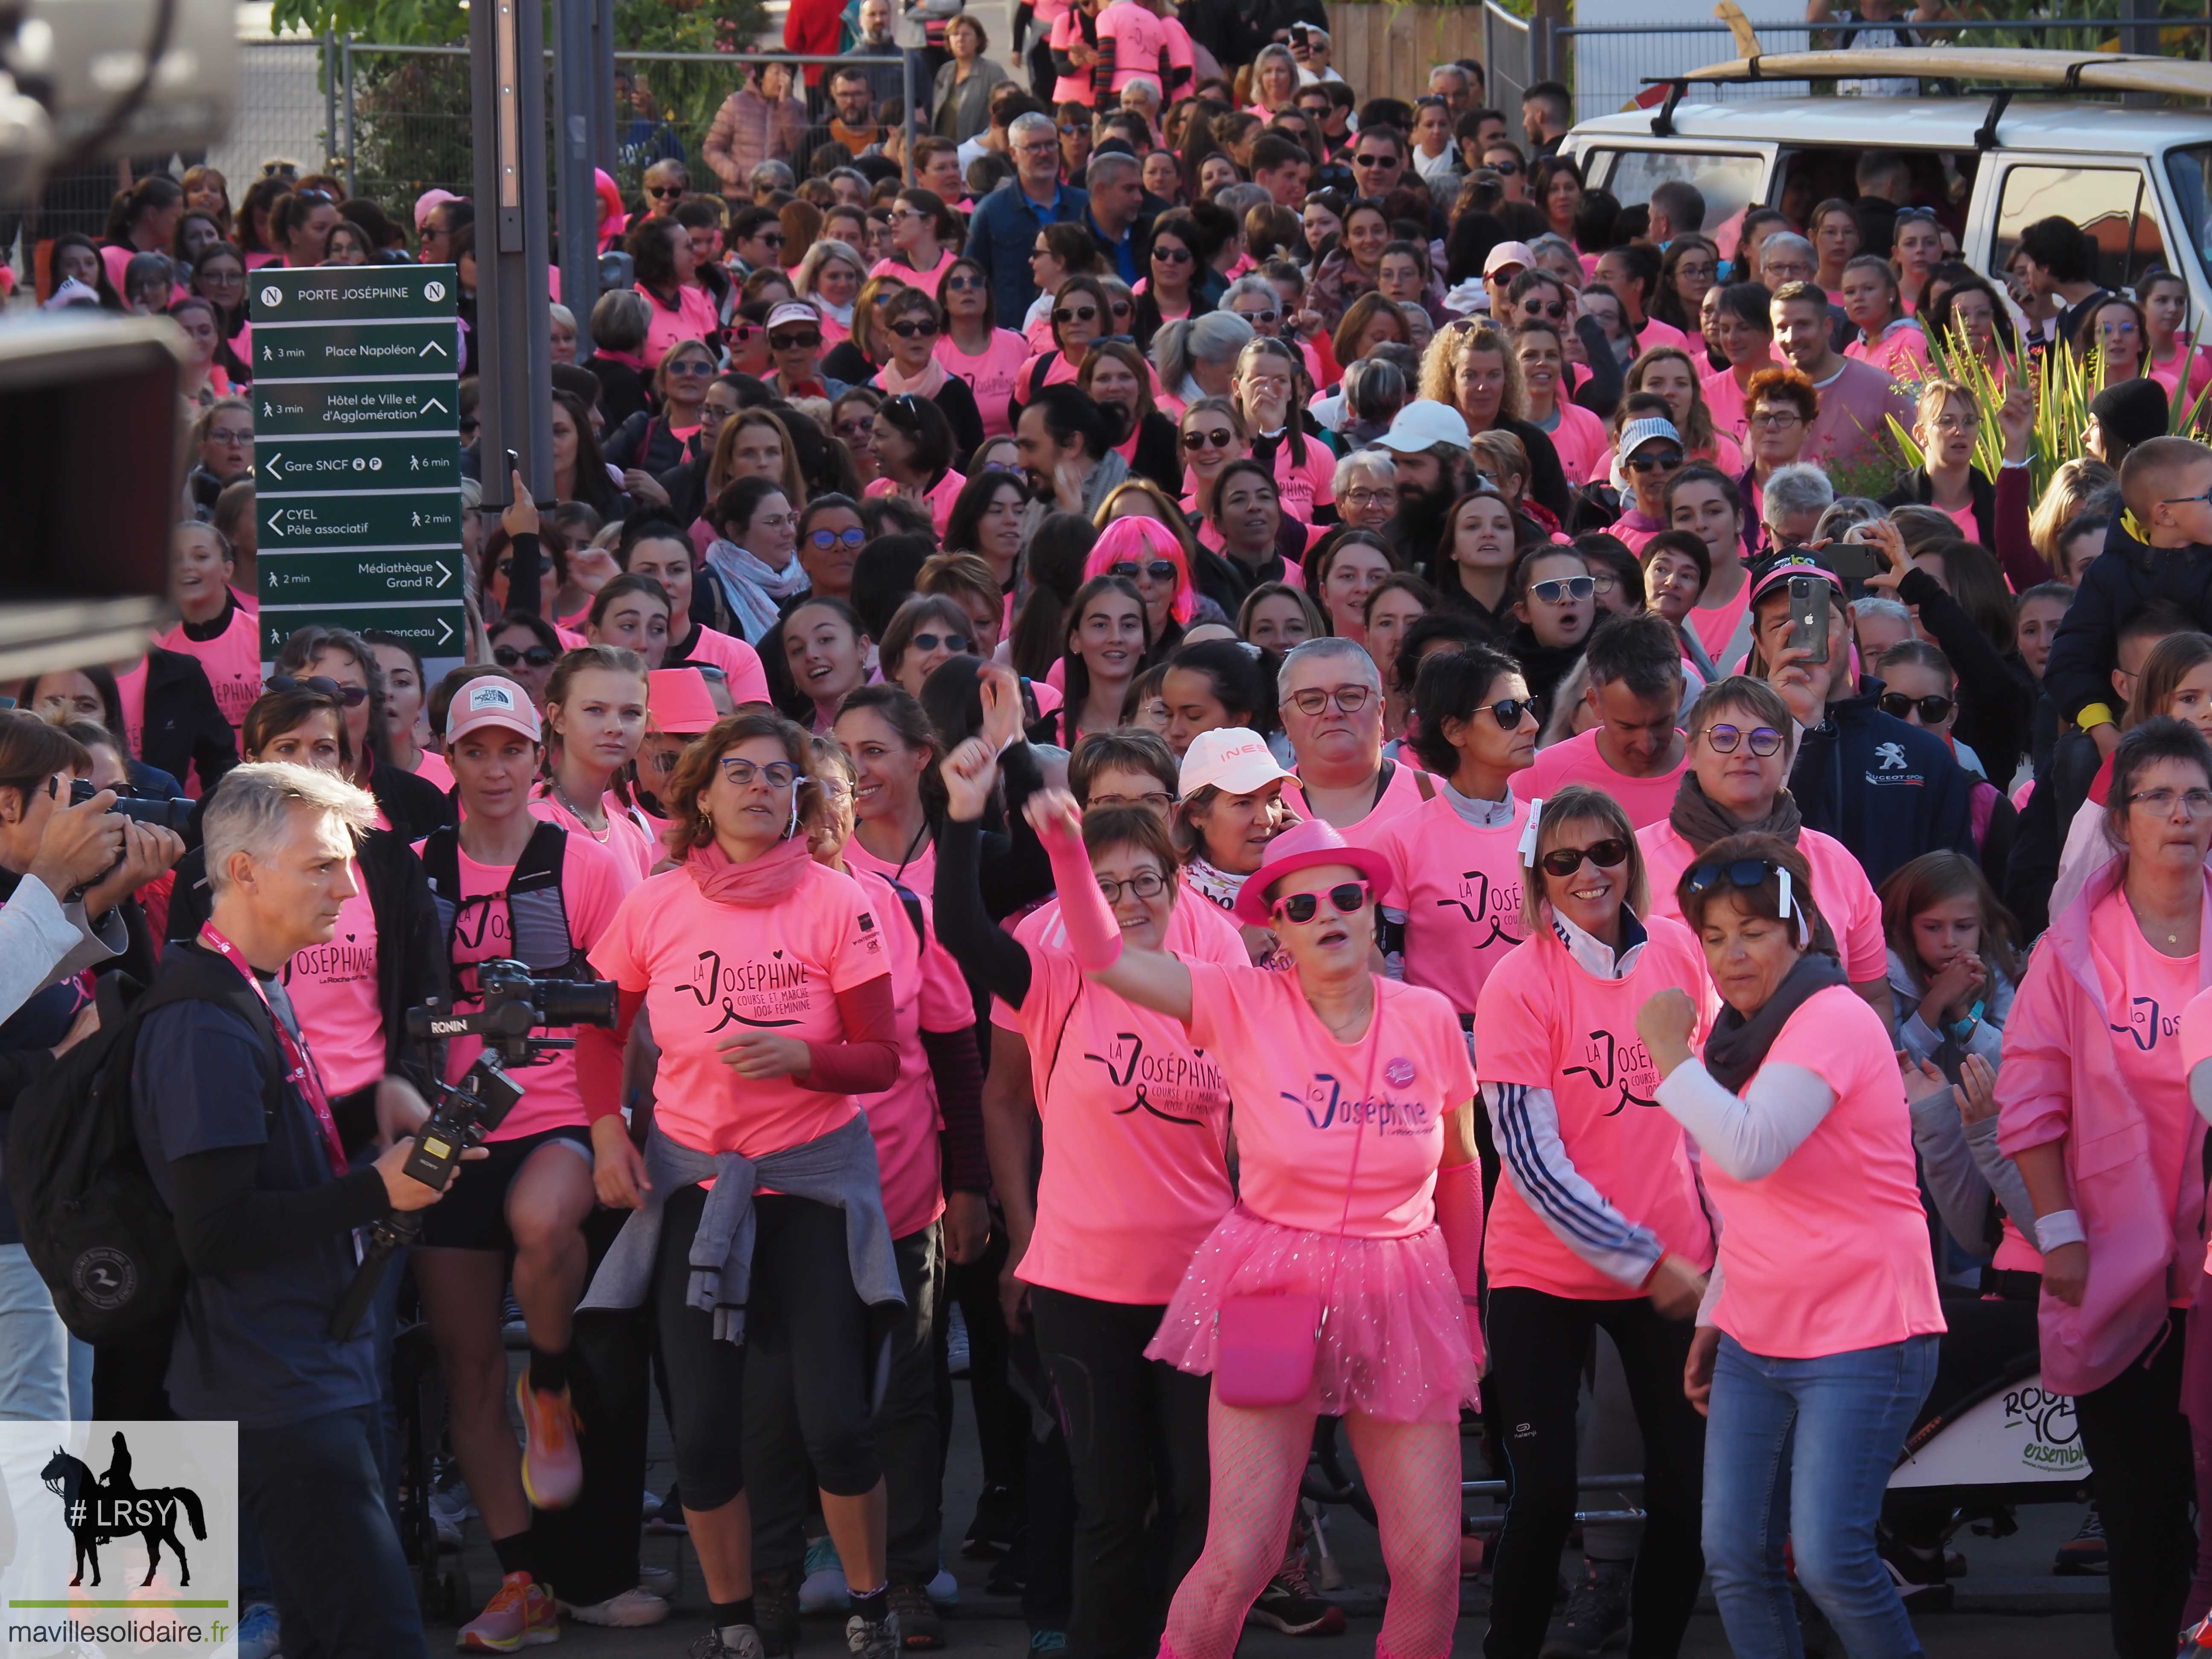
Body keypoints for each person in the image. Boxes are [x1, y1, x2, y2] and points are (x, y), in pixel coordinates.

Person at [1018, 780, 1482, 1659]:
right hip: (1276, 1290)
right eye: (1303, 905)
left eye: (1347, 895)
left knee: (1428, 1561)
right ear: (1279, 928)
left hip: (1406, 1287)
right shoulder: (1238, 1000)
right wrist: (1069, 853)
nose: (1329, 914)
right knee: (1239, 1558)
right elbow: (1107, 956)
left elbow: (1460, 1168)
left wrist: (1466, 1310)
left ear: (1373, 906)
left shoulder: (1428, 1020)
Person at [578, 710, 905, 1659]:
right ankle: (731, 1628)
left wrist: (803, 1056)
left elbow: (881, 1059)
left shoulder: (838, 901)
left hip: (812, 1184)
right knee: (708, 1438)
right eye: (740, 773)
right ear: (703, 794)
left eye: (779, 775)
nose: (761, 788)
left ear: (801, 797)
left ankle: (871, 1605)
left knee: (838, 1425)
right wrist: (609, 1134)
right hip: (693, 1184)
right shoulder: (656, 903)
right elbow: (603, 1034)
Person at [134, 761, 455, 1659]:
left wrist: (367, 1110)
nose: (349, 887)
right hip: (275, 1389)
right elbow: (217, 1231)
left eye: (346, 864)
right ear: (241, 872)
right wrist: (378, 1188)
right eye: (321, 866)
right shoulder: (203, 1019)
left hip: (312, 1367)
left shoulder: (252, 985)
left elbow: (267, 1159)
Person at [1634, 832, 1943, 1654]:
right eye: (1712, 935)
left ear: (1797, 929)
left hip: (1864, 1331)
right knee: (1734, 1556)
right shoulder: (1735, 1038)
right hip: (1755, 1332)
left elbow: (1747, 1147)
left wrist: (1665, 1049)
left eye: (1753, 929)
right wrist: (1717, 1312)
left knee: (1832, 1560)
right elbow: (1750, 1204)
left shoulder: (1832, 1015)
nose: (1730, 954)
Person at [1472, 783, 1716, 1659]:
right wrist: (1646, 1261)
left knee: (1689, 1493)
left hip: (1676, 1266)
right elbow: (1531, 1164)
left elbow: (1709, 1118)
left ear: (1631, 858)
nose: (1588, 873)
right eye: (1564, 859)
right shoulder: (1516, 981)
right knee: (1544, 1495)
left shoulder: (1682, 955)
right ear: (1539, 875)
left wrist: (1722, 1246)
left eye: (1605, 852)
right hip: (1547, 1271)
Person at [412, 677, 627, 1648]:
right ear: (447, 760)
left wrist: (613, 1120)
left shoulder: (580, 863)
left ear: (537, 758)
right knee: (461, 1365)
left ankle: (546, 1381)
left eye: (511, 750)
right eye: (475, 750)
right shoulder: (420, 868)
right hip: (454, 1122)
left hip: (557, 1112)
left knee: (543, 1221)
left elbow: (626, 1007)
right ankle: (521, 1579)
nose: (495, 769)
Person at [1998, 717, 2212, 1656]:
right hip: (2116, 1269)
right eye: (2157, 796)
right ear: (2121, 821)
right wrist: (2060, 1235)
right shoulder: (2072, 951)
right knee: (2145, 1518)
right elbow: (2031, 1102)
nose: (2182, 813)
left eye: (2198, 795)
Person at [1640, 676, 1895, 1030]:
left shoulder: (1835, 862)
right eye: (1725, 738)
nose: (1744, 753)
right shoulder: (1638, 860)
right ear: (1692, 753)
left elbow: (1873, 998)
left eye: (1763, 740)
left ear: (1788, 755)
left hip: (1823, 1073)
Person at [1749, 553, 1976, 885]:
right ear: (1759, 641)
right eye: (1781, 625)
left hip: (1892, 935)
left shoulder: (1925, 753)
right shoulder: (1736, 747)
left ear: (1851, 621)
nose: (1802, 637)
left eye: (1817, 620)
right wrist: (1799, 726)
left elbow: (1956, 889)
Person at [1528, 613, 1693, 829]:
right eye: (1627, 727)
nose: (1647, 745)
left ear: (1681, 693)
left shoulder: (1712, 771)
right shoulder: (1545, 774)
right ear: (1595, 702)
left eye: (1661, 723)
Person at [1770, 281, 1916, 474]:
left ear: (1827, 327)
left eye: (1803, 325)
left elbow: (1913, 470)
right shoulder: (1771, 394)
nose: (1792, 337)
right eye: (1782, 328)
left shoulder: (1881, 389)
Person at [966, 111, 1092, 324]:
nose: (1045, 154)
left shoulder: (1084, 205)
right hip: (1015, 334)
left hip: (1080, 327)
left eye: (1051, 144)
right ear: (1013, 154)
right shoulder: (991, 211)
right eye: (1034, 147)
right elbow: (972, 278)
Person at [158, 521, 261, 745]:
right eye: (176, 560)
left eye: (201, 557)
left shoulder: (261, 637)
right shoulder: (161, 655)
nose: (187, 566)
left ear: (228, 569)